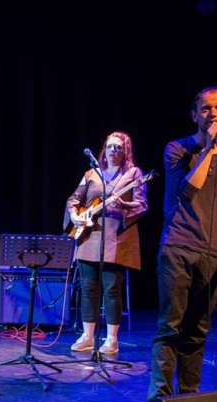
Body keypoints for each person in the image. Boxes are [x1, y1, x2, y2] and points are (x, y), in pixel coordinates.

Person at [148, 86, 217, 398]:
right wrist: (209, 148)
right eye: (206, 108)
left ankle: (190, 397)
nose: (213, 113)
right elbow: (188, 190)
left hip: (214, 254)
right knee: (170, 328)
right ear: (194, 114)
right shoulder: (177, 149)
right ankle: (160, 401)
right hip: (177, 247)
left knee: (197, 332)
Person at [64, 131, 149, 355]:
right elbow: (75, 199)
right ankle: (87, 336)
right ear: (104, 150)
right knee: (88, 288)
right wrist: (74, 214)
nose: (113, 150)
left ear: (125, 151)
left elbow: (142, 204)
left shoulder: (134, 174)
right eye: (110, 146)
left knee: (112, 289)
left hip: (117, 237)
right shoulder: (92, 173)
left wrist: (123, 204)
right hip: (89, 235)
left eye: (118, 147)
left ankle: (111, 339)